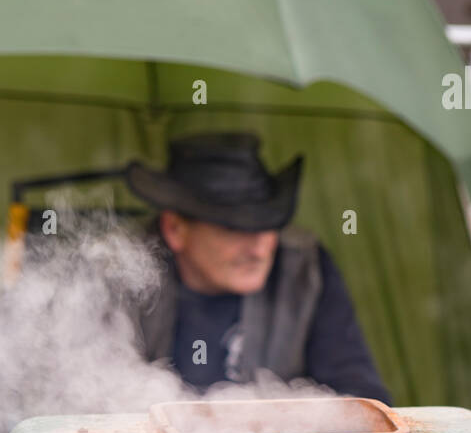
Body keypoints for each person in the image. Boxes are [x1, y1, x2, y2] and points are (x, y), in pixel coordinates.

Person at [125, 131, 390, 401]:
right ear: (175, 229)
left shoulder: (304, 269)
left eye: (270, 225)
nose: (261, 249)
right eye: (235, 229)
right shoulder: (123, 274)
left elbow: (361, 396)